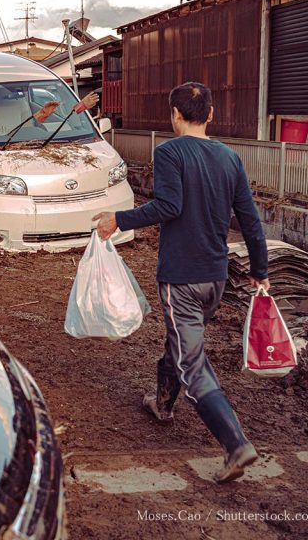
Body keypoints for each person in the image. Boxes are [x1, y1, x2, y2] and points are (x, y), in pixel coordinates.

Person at [92, 82, 269, 484]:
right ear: (210, 115)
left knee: (192, 361)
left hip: (182, 278)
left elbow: (168, 207)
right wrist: (260, 270)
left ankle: (235, 443)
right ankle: (162, 405)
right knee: (180, 342)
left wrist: (118, 218)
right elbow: (251, 220)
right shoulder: (230, 158)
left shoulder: (169, 152)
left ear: (174, 114)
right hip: (215, 278)